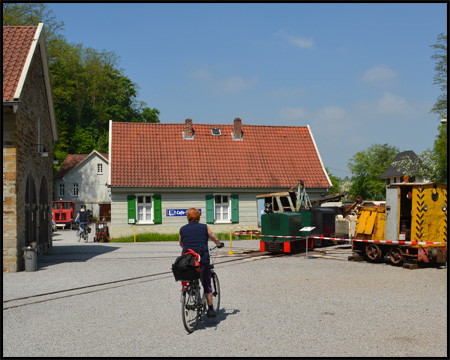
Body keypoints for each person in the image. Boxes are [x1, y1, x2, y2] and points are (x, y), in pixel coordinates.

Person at [179, 207, 224, 318]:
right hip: (202, 259)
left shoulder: (182, 229)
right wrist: (218, 244)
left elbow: (181, 243)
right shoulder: (204, 227)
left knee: (190, 276)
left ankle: (191, 291)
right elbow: (213, 237)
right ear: (198, 217)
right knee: (206, 283)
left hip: (187, 260)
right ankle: (210, 309)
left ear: (188, 217)